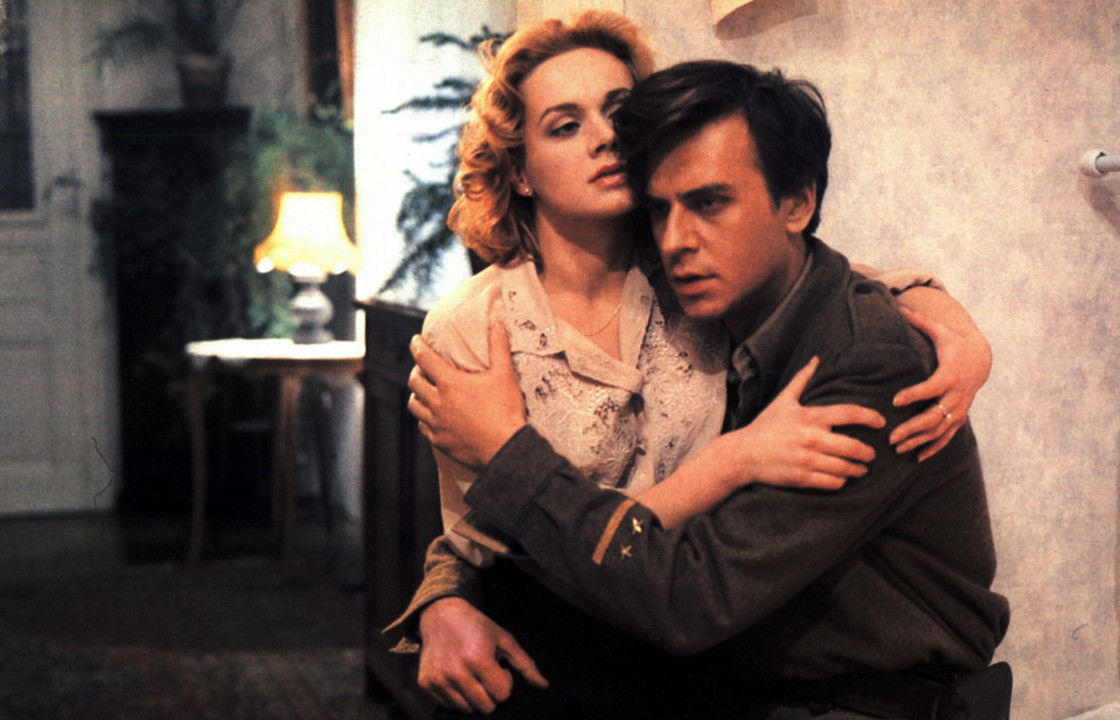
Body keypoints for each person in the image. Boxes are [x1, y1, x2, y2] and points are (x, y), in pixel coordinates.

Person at [393, 11, 998, 718]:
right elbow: (480, 538)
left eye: (618, 113)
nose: (604, 138)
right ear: (519, 169)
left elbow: (688, 593)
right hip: (572, 659)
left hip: (812, 690)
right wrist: (443, 597)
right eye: (564, 125)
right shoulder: (493, 321)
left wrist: (944, 316)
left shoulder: (713, 301)